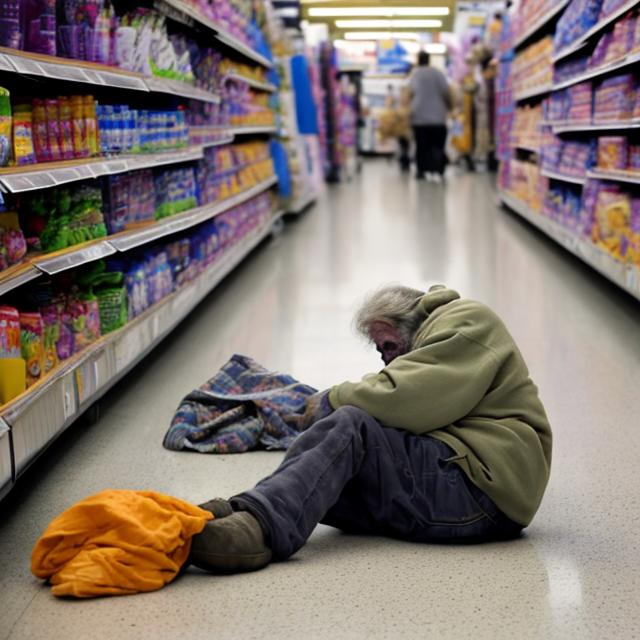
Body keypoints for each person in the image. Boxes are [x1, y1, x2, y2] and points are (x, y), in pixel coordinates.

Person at [188, 285, 553, 574]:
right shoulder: (440, 336)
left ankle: (257, 531)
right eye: (382, 353)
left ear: (409, 320)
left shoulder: (469, 320)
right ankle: (243, 511)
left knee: (352, 423)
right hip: (466, 485)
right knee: (322, 476)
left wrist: (333, 398)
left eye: (389, 346)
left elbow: (405, 398)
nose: (387, 360)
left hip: (482, 490)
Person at [408, 51, 453, 181]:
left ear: (418, 60)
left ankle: (422, 171)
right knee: (438, 145)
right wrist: (450, 106)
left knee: (421, 147)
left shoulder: (415, 75)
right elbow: (446, 91)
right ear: (429, 60)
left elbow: (409, 93)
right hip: (438, 117)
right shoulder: (438, 73)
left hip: (419, 117)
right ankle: (438, 170)